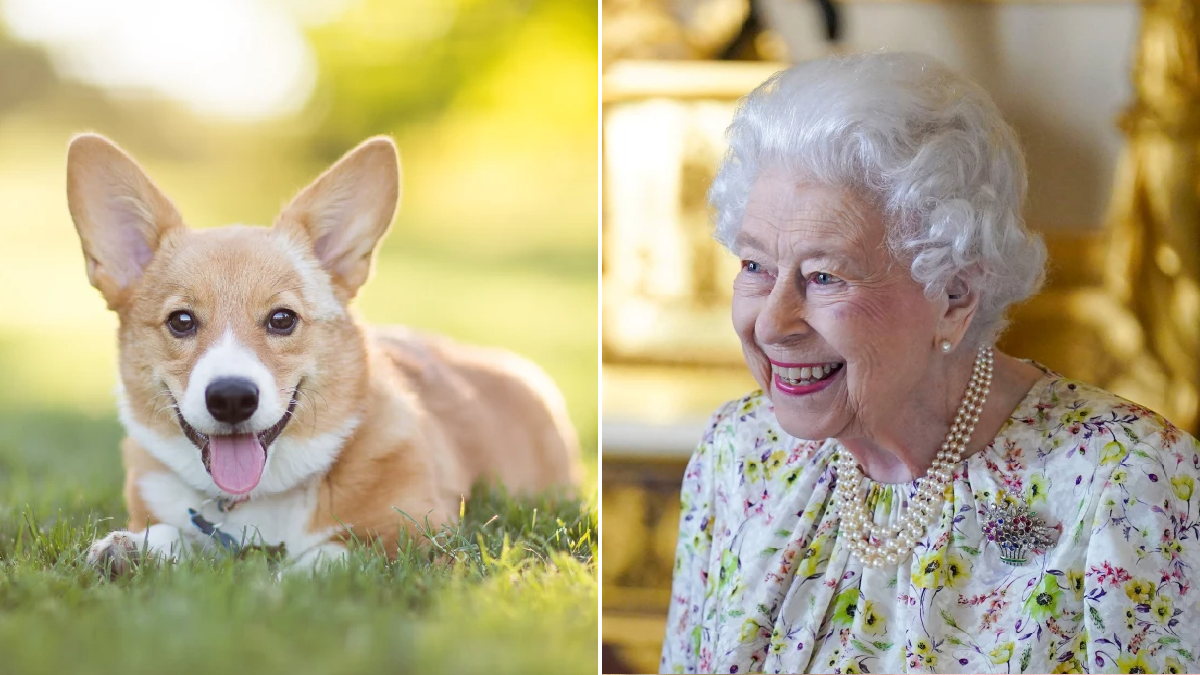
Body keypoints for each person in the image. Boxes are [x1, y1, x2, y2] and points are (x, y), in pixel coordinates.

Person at [660, 52, 1199, 674]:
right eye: (755, 266)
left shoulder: (1132, 486)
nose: (773, 322)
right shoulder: (740, 454)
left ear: (953, 297)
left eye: (824, 276)